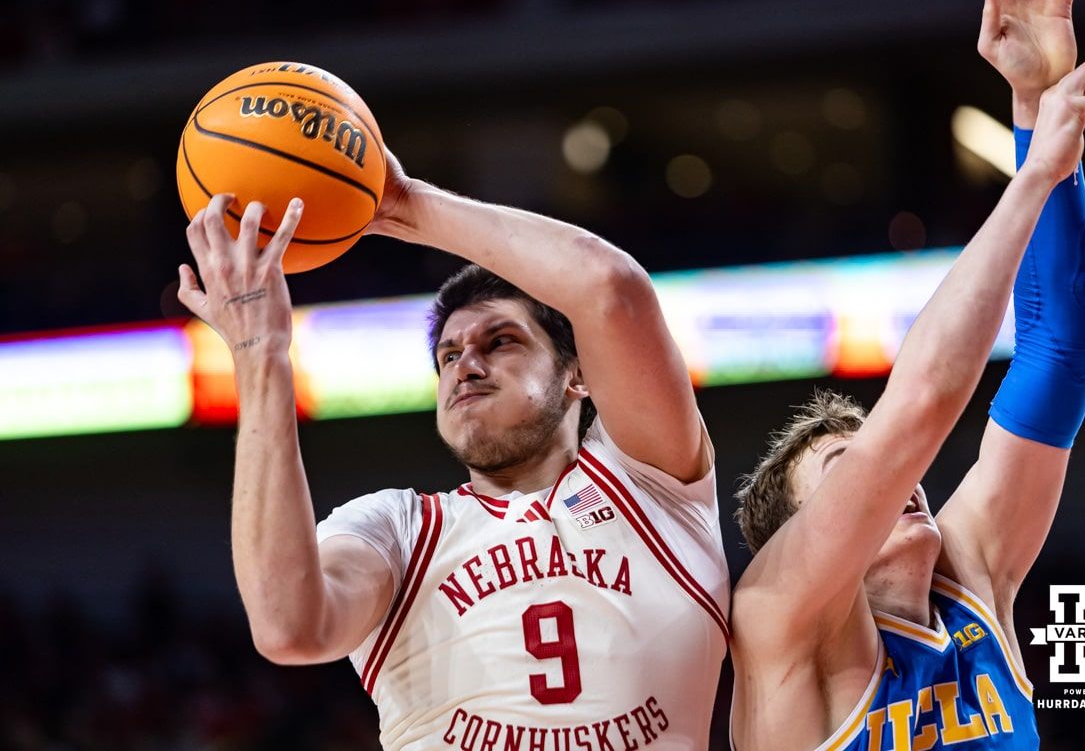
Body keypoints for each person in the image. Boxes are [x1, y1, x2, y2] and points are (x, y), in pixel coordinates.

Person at [175, 145, 729, 744]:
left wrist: (406, 206)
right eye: (448, 356)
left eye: (500, 342)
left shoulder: (652, 485)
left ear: (577, 374)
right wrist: (260, 359)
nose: (465, 365)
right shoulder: (396, 528)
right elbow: (289, 627)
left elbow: (611, 289)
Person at [728, 0, 1085, 748]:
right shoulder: (780, 624)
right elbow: (919, 405)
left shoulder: (972, 575)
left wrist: (1036, 109)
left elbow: (1065, 342)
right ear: (804, 536)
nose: (897, 479)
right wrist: (1032, 178)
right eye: (852, 471)